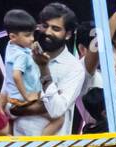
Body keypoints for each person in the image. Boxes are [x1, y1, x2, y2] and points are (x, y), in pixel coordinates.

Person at [10, 3, 84, 137]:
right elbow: (9, 102)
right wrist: (41, 105)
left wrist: (43, 68)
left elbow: (56, 110)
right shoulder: (23, 54)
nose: (48, 32)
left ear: (67, 34)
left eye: (55, 28)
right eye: (44, 26)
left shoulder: (74, 68)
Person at [0, 10, 42, 115]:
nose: (32, 38)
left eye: (33, 34)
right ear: (13, 37)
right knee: (58, 116)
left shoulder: (11, 45)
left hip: (12, 97)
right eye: (28, 35)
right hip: (20, 101)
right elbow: (16, 76)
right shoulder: (21, 56)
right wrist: (27, 96)